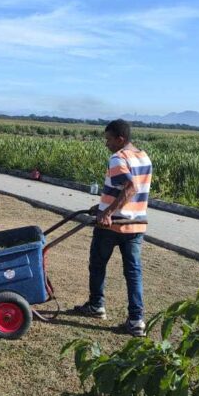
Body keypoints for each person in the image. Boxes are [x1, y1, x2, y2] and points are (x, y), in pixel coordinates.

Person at [73, 119, 152, 337]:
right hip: (135, 225)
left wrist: (107, 213)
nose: (106, 143)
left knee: (97, 264)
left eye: (108, 139)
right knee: (133, 273)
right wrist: (100, 206)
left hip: (113, 225)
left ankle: (96, 305)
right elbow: (122, 190)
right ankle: (137, 321)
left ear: (121, 139)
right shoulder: (143, 156)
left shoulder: (118, 158)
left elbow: (130, 188)